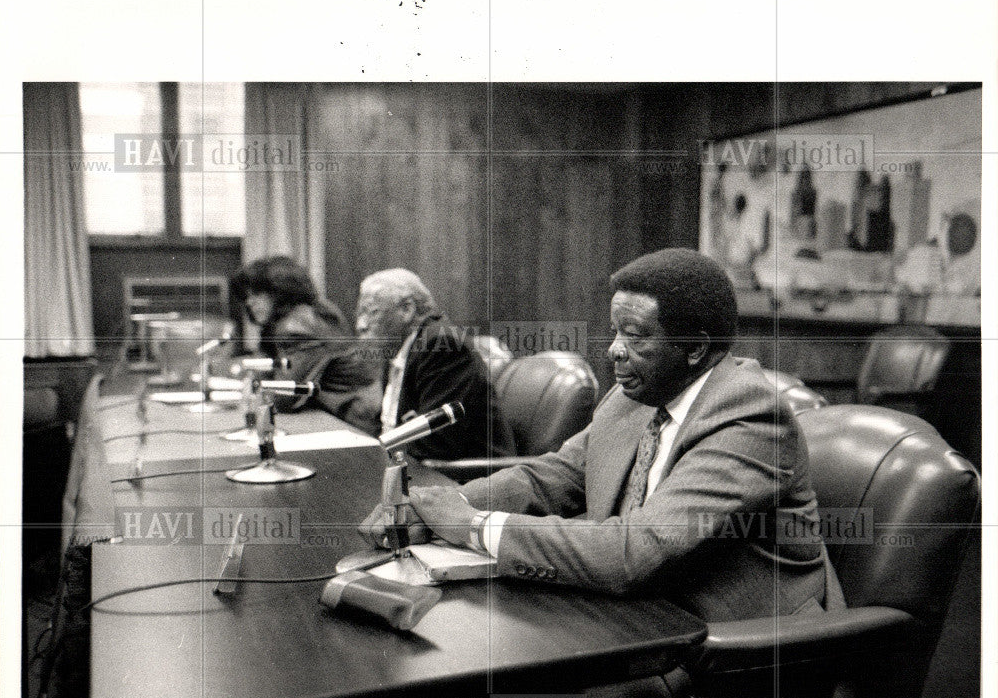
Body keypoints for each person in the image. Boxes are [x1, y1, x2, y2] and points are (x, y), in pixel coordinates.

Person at [360, 249, 844, 623]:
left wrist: (472, 525)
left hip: (737, 643)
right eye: (614, 331)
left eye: (635, 336)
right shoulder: (633, 396)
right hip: (637, 614)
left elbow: (636, 550)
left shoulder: (749, 415)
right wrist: (435, 511)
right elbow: (551, 476)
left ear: (695, 349)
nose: (614, 350)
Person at [355, 268, 516, 461]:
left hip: (467, 477)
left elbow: (436, 444)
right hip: (414, 465)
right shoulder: (399, 346)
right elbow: (386, 424)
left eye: (372, 312)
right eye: (359, 314)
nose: (360, 325)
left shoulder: (442, 345)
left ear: (407, 309)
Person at [230, 256, 380, 434]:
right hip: (343, 415)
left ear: (281, 291)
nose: (249, 302)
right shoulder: (313, 312)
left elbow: (283, 398)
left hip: (354, 422)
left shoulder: (298, 325)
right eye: (247, 296)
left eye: (257, 294)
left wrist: (255, 384)